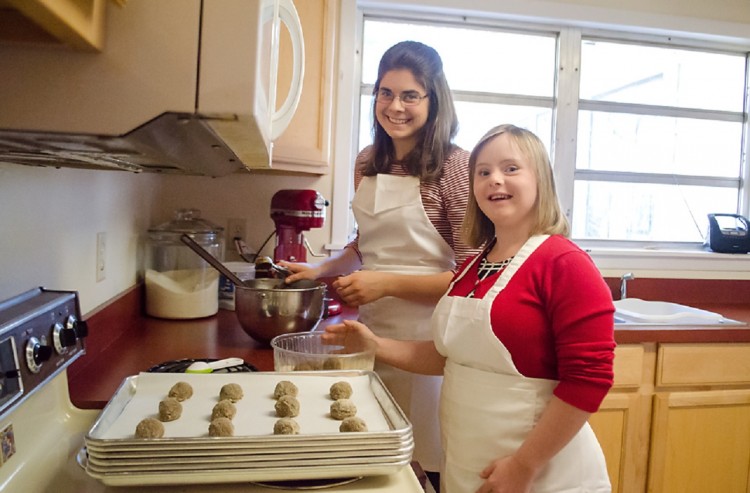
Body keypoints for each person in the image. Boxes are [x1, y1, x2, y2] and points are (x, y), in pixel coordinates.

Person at [323, 124, 616, 493]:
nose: (495, 180)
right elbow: (450, 357)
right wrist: (374, 345)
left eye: (511, 168)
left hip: (540, 476)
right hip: (468, 466)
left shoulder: (565, 263)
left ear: (540, 179)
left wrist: (524, 466)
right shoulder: (474, 265)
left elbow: (590, 380)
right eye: (483, 172)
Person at [280, 40, 480, 489]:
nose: (395, 106)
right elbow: (365, 242)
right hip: (371, 336)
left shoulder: (455, 167)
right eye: (386, 93)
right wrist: (321, 270)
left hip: (432, 346)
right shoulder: (368, 162)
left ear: (434, 99)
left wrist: (385, 283)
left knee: (424, 464)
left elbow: (470, 278)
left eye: (411, 95)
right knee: (377, 459)